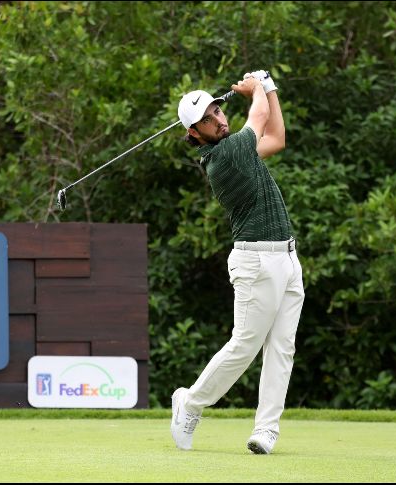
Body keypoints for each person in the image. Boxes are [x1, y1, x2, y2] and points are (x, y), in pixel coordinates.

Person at [170, 70, 305, 455]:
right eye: (208, 119)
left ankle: (266, 431)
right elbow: (258, 117)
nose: (218, 119)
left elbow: (276, 137)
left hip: (287, 258)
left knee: (281, 348)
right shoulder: (223, 156)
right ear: (195, 133)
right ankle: (191, 403)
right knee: (245, 345)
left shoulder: (239, 148)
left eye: (216, 110)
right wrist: (258, 86)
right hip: (255, 261)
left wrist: (270, 90)